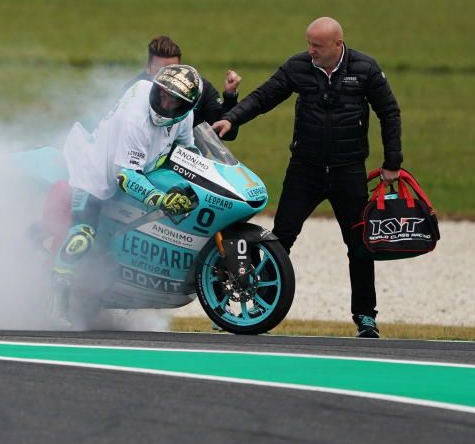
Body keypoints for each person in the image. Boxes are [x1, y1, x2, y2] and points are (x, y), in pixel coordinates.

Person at [211, 17, 402, 338]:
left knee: (359, 246)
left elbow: (390, 112)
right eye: (308, 43)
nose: (310, 50)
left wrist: (392, 162)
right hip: (305, 170)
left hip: (349, 171)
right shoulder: (299, 66)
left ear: (337, 45)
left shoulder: (365, 69)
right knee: (279, 240)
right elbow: (263, 97)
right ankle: (254, 306)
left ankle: (365, 317)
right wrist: (231, 118)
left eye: (317, 45)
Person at [51, 64, 203, 318]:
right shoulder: (137, 120)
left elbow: (188, 150)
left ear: (186, 107)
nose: (164, 103)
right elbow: (126, 176)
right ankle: (58, 290)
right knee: (83, 235)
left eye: (174, 101)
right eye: (163, 94)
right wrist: (160, 198)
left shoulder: (185, 119)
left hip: (130, 168)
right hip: (93, 173)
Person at [126, 35, 244, 139]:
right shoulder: (133, 91)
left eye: (173, 70)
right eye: (160, 71)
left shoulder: (200, 90)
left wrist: (230, 96)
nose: (167, 78)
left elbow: (228, 134)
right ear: (148, 67)